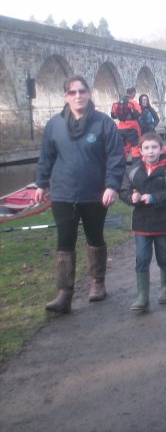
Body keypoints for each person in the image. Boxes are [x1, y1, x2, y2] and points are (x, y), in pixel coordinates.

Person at [34, 75, 126, 315]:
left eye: (82, 91)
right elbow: (46, 156)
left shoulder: (104, 123)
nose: (78, 96)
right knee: (65, 240)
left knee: (94, 237)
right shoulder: (54, 125)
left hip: (95, 193)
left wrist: (112, 185)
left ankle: (98, 283)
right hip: (63, 193)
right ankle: (64, 294)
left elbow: (116, 156)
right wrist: (41, 184)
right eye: (72, 92)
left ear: (89, 94)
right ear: (66, 96)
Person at [119, 132, 166, 313]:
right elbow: (123, 190)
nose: (150, 151)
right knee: (142, 258)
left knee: (163, 255)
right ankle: (142, 296)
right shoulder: (133, 172)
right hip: (141, 223)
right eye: (146, 148)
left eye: (154, 147)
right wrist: (131, 197)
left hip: (163, 222)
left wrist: (155, 198)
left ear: (161, 149)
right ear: (140, 151)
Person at [111, 87, 142, 162]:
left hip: (120, 127)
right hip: (132, 126)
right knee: (136, 145)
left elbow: (113, 115)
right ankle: (136, 163)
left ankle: (121, 163)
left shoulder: (116, 103)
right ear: (133, 93)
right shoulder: (132, 102)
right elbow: (139, 112)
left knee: (124, 146)